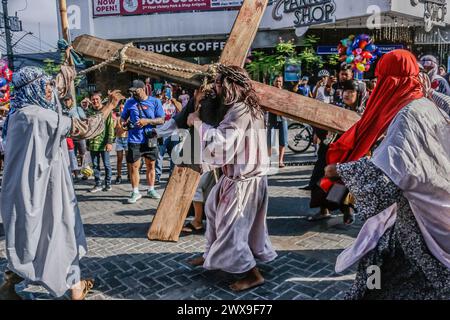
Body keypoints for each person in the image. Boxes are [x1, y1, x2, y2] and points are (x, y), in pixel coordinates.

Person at [324, 49, 450, 299]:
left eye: (382, 79)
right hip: (430, 211)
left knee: (389, 282)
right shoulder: (425, 105)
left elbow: (387, 179)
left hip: (415, 222)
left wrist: (340, 170)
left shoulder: (409, 114)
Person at [0, 64, 124, 300]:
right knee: (61, 232)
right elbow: (85, 129)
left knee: (27, 237)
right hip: (44, 190)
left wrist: (67, 70)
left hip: (22, 190)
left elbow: (54, 89)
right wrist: (110, 106)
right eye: (45, 85)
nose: (49, 90)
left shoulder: (19, 112)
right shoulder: (39, 116)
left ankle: (10, 285)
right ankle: (75, 288)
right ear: (35, 88)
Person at [186, 65, 277, 292]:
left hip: (243, 181)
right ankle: (212, 256)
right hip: (239, 178)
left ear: (230, 85)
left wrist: (196, 121)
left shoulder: (240, 109)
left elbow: (221, 141)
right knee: (212, 210)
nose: (215, 87)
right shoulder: (250, 107)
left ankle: (252, 274)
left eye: (218, 83)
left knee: (232, 227)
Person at [308, 79, 366, 224]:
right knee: (319, 180)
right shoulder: (335, 108)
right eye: (345, 91)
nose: (346, 94)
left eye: (351, 91)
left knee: (344, 184)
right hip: (328, 152)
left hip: (349, 155)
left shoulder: (364, 113)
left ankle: (348, 211)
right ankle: (323, 210)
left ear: (358, 94)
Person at [121, 80, 165, 203]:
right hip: (134, 139)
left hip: (150, 138)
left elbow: (161, 120)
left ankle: (151, 189)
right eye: (132, 91)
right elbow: (123, 118)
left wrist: (147, 121)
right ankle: (135, 192)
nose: (134, 93)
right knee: (135, 166)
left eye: (136, 90)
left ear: (143, 88)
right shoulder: (129, 102)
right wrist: (124, 124)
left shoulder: (155, 101)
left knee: (151, 164)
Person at [87, 91, 115, 193]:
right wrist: (87, 143)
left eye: (97, 99)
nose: (95, 101)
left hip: (104, 144)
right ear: (91, 100)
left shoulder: (106, 111)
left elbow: (110, 127)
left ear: (100, 99)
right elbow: (88, 128)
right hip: (93, 144)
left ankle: (108, 184)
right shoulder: (89, 112)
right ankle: (98, 184)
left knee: (107, 165)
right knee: (95, 166)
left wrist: (110, 142)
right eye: (93, 99)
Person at [155, 95, 182, 183]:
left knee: (174, 155)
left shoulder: (176, 103)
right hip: (162, 133)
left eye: (169, 92)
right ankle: (157, 176)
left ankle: (171, 176)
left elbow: (181, 110)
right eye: (165, 91)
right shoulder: (159, 103)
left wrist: (174, 101)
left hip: (174, 133)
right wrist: (161, 101)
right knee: (159, 155)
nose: (166, 95)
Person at [267, 75, 288, 168]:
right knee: (270, 141)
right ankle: (270, 161)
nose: (278, 83)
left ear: (282, 83)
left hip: (282, 119)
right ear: (273, 82)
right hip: (272, 118)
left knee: (283, 141)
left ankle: (280, 161)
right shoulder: (270, 92)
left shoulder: (285, 93)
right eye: (276, 81)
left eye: (280, 81)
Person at [114, 101, 130, 184]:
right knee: (119, 158)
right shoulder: (117, 118)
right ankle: (119, 175)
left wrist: (121, 128)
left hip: (127, 139)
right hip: (119, 139)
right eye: (120, 108)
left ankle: (129, 174)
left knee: (128, 159)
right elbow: (115, 129)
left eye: (123, 108)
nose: (121, 109)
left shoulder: (128, 118)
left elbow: (126, 128)